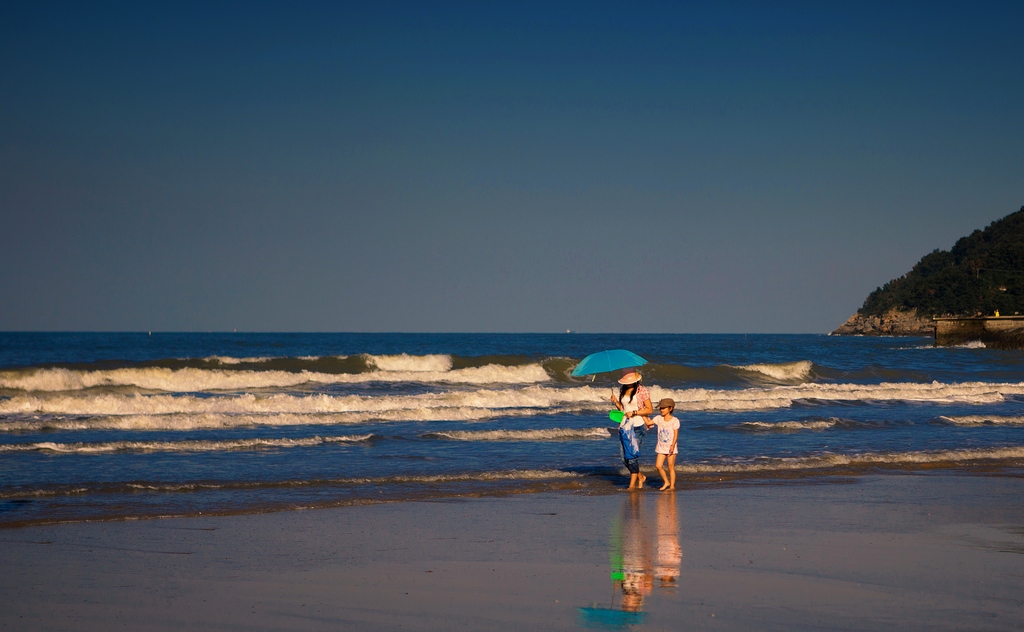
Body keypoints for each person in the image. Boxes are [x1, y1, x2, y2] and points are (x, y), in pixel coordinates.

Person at [611, 370, 654, 489]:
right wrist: (615, 402)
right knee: (623, 457)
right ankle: (640, 477)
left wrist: (634, 412)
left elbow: (649, 409)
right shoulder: (622, 389)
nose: (628, 383)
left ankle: (631, 486)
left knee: (632, 457)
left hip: (638, 426)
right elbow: (623, 409)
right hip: (625, 426)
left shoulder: (642, 390)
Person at [652, 398, 679, 490]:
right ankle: (666, 482)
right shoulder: (658, 418)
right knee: (658, 466)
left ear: (670, 409)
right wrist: (641, 414)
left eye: (663, 408)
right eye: (660, 408)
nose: (661, 410)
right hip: (661, 447)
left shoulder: (674, 420)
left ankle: (672, 486)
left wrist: (673, 445)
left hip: (671, 447)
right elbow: (648, 422)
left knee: (670, 467)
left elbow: (675, 435)